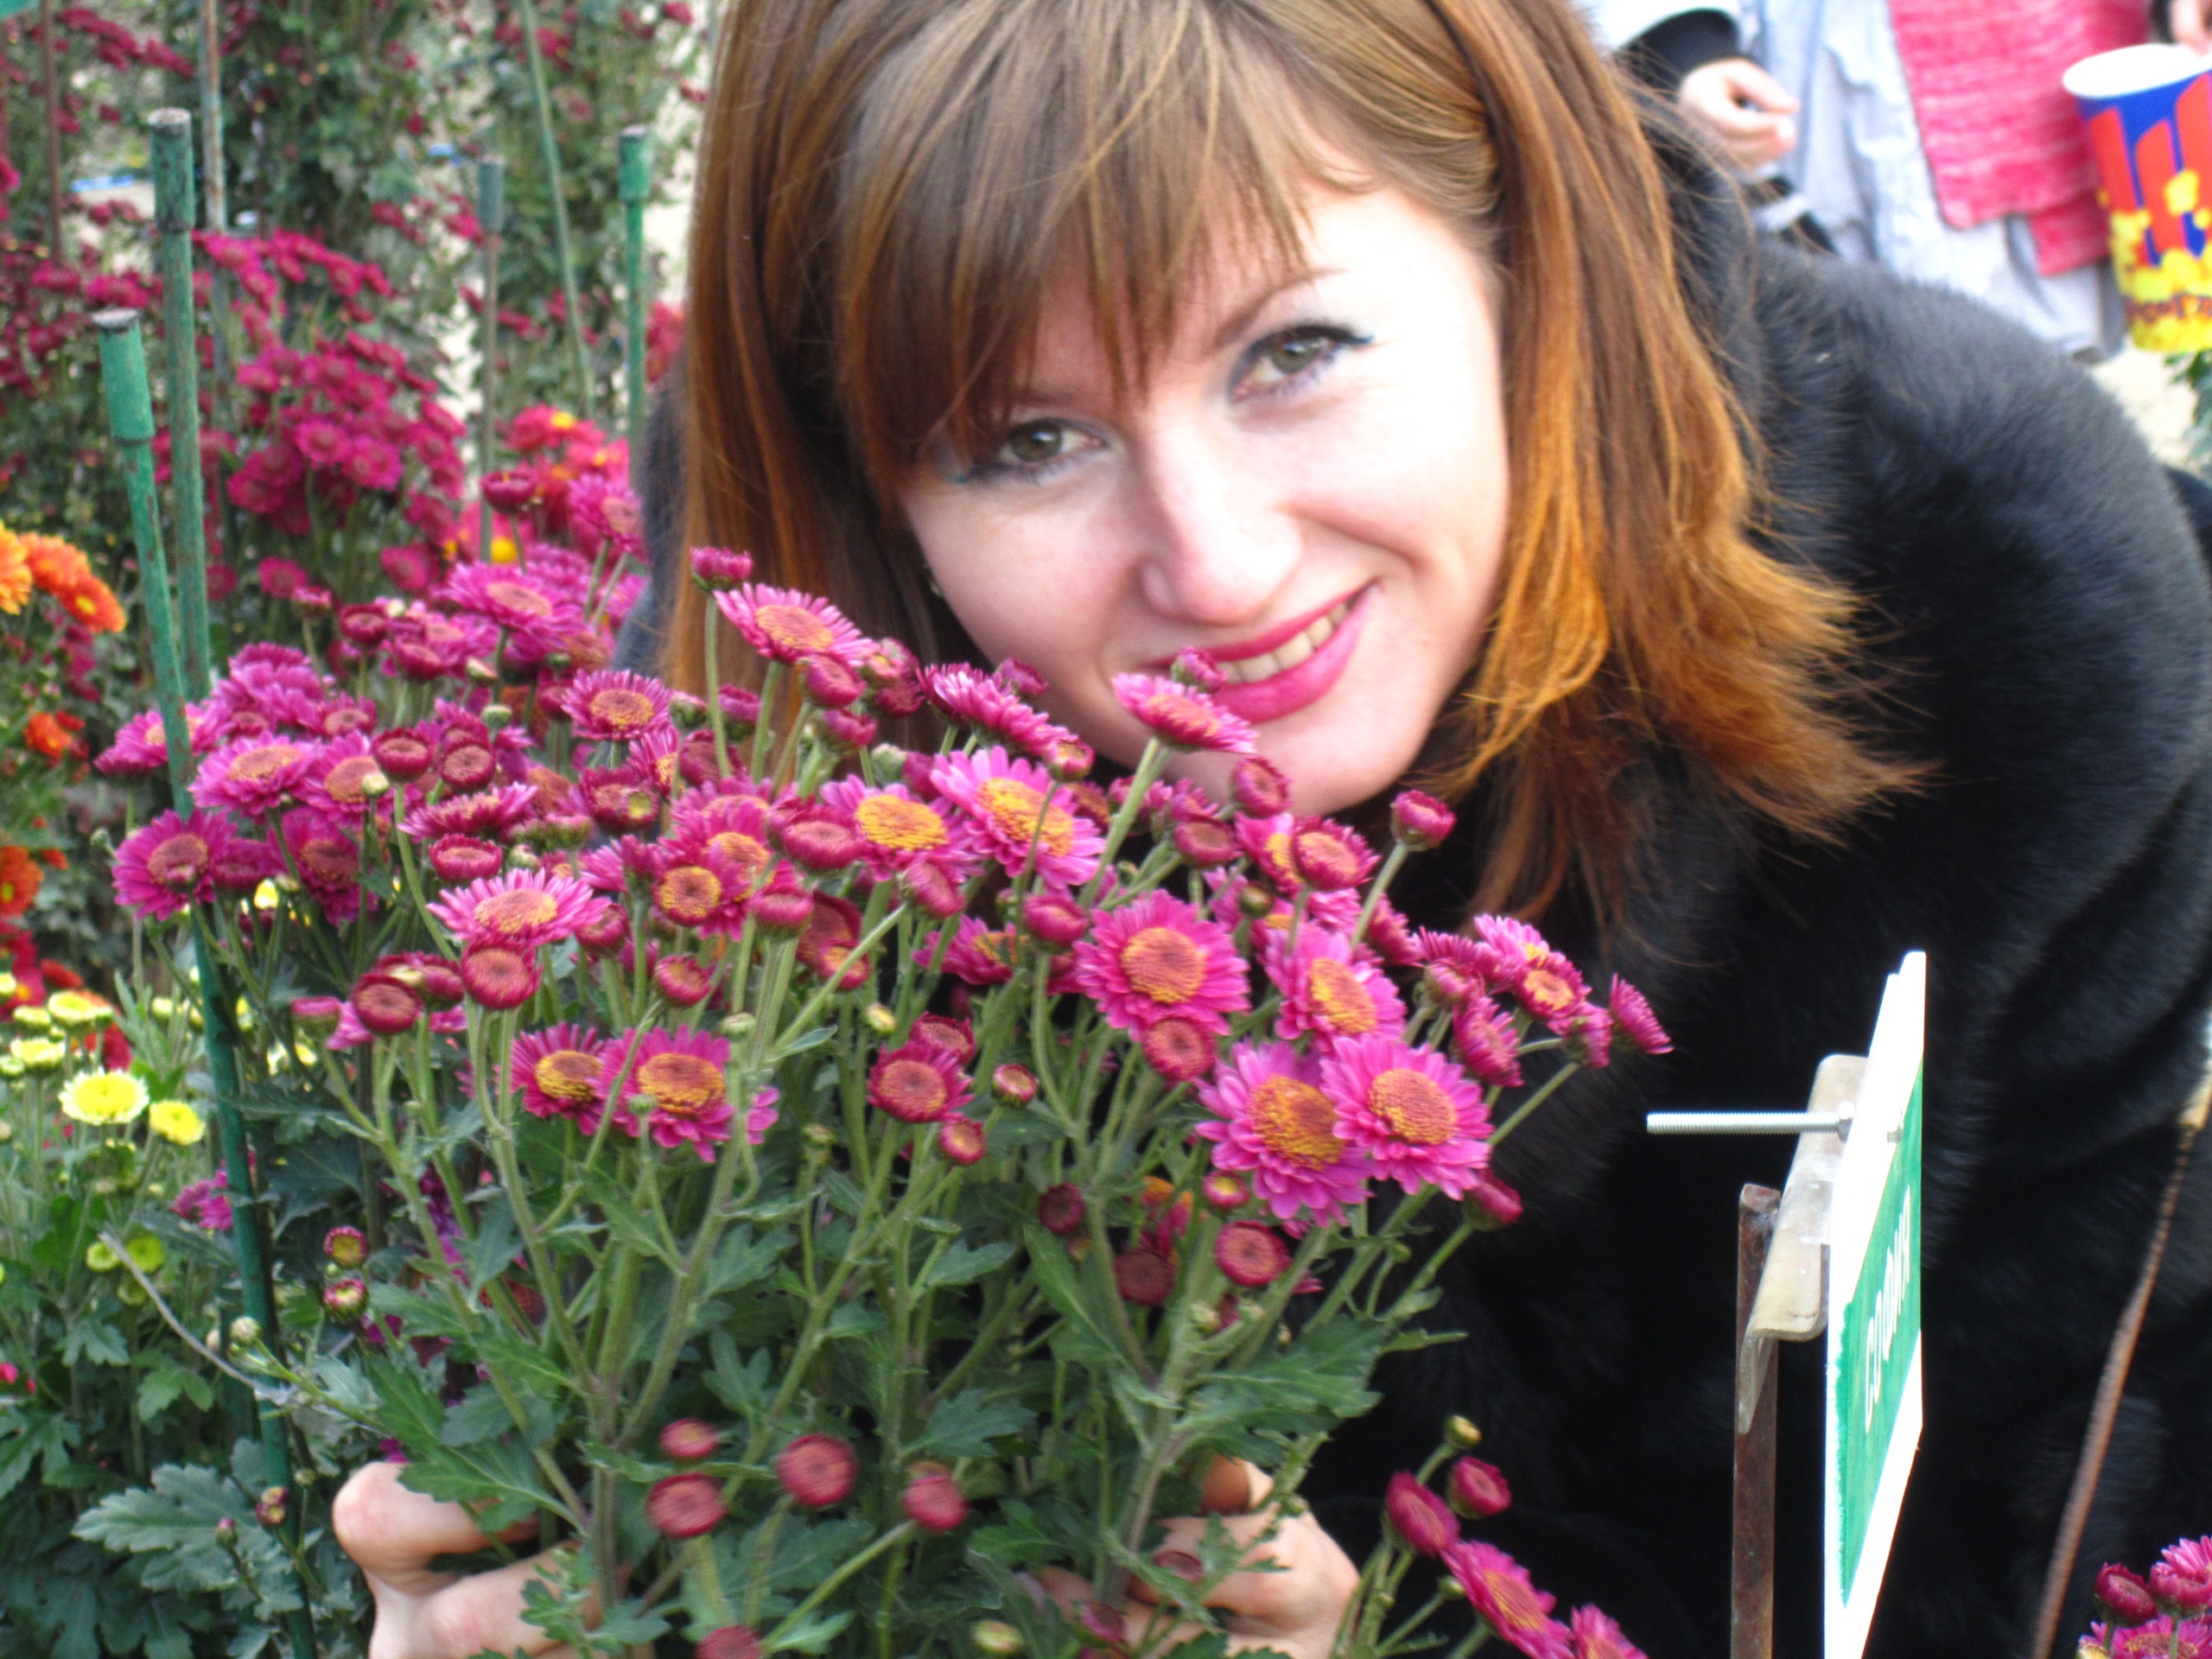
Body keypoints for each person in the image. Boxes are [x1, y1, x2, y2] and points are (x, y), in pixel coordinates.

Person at [334, 1, 2212, 1656]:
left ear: (1522, 253)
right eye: (1024, 443)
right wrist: (544, 1568)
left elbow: (2042, 1541)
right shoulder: (795, 758)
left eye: (1292, 351)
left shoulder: (1997, 617)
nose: (1217, 568)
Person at [1592, 0, 2140, 359]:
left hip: (2048, 96)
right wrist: (1679, 45)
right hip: (1806, 111)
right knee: (1834, 373)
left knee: (2039, 393)